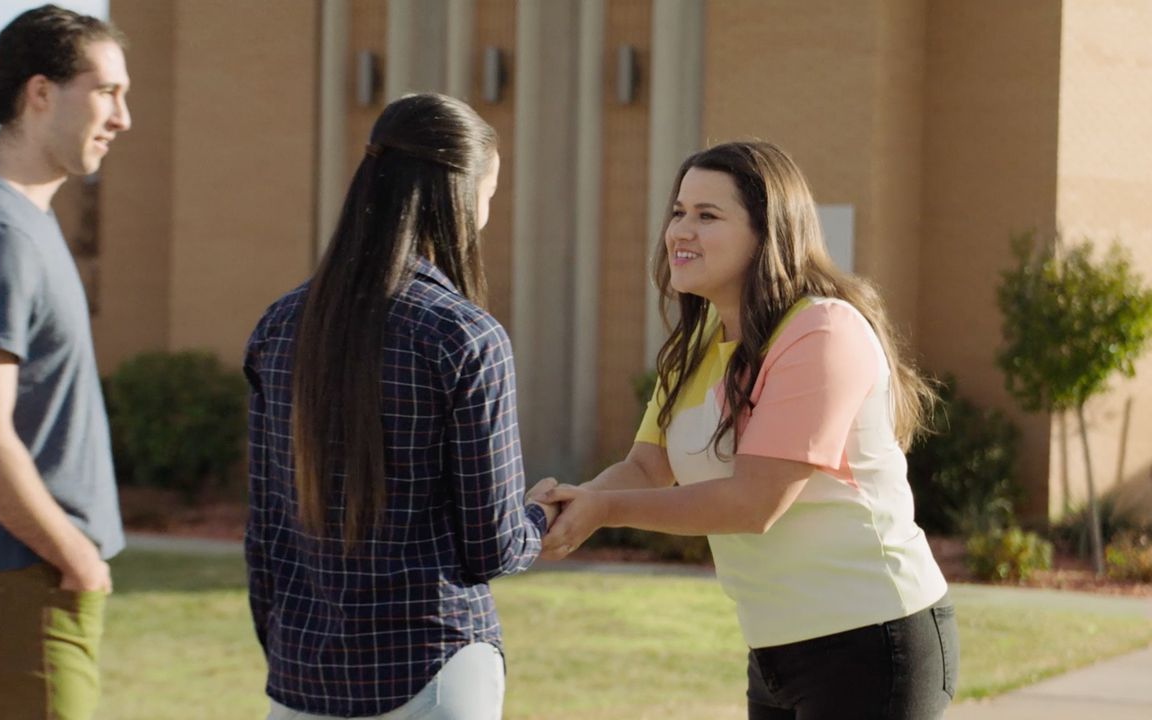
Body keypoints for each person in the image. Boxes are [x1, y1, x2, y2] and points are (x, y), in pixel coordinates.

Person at [539, 141, 957, 719]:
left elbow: (755, 501)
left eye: (707, 216)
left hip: (873, 637)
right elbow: (645, 468)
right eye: (679, 212)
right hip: (776, 649)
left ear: (768, 233)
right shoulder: (696, 344)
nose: (680, 231)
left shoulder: (822, 331)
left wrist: (605, 512)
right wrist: (573, 502)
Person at [244, 92, 557, 720]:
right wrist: (541, 518)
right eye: (490, 194)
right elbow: (491, 546)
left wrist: (288, 651)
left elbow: (265, 532)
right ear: (461, 196)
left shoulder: (280, 326)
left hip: (304, 674)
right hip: (433, 667)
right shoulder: (465, 336)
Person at [0, 6, 131, 719]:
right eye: (106, 91)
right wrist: (76, 556)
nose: (122, 117)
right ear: (41, 94)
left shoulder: (19, 223)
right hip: (22, 581)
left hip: (31, 581)